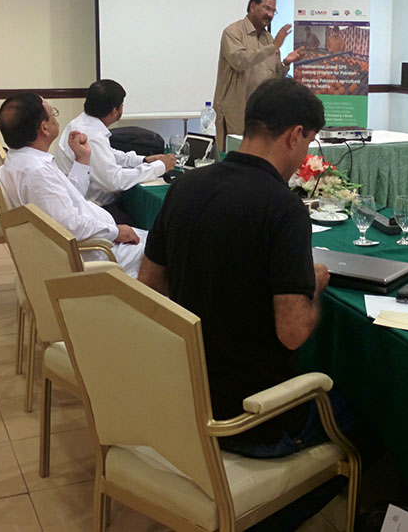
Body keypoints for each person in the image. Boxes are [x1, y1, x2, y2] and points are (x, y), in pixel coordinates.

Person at [140, 78, 345, 530]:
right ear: (295, 135)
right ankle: (259, 517)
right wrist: (313, 286)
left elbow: (149, 287)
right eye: (308, 143)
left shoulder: (185, 187)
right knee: (368, 417)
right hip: (254, 422)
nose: (305, 155)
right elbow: (292, 331)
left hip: (184, 403)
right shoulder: (284, 208)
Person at [0, 93, 146, 277]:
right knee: (166, 249)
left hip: (91, 242)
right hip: (94, 252)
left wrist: (82, 159)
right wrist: (116, 232)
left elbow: (68, 200)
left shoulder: (19, 161)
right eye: (53, 114)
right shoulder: (37, 172)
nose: (55, 118)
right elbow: (70, 226)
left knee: (159, 238)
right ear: (44, 127)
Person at [55, 79, 174, 224]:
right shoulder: (92, 135)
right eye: (122, 105)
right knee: (149, 224)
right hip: (92, 210)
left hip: (90, 203)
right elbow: (113, 181)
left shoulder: (83, 123)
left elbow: (109, 154)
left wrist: (143, 160)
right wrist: (159, 167)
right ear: (114, 110)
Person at [213, 0, 303, 151]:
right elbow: (240, 61)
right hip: (237, 114)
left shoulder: (268, 38)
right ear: (252, 6)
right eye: (266, 8)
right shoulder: (233, 32)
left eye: (273, 11)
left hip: (263, 116)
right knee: (236, 159)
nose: (270, 15)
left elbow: (273, 77)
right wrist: (273, 46)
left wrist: (286, 63)